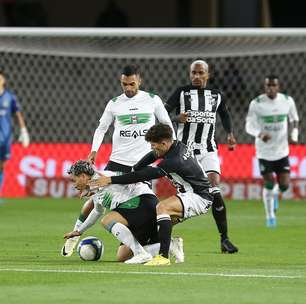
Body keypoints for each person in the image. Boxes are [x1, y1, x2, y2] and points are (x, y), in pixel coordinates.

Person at [62, 64, 175, 257]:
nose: (129, 88)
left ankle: (148, 240)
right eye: (124, 84)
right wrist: (94, 150)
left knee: (137, 199)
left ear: (139, 80)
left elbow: (167, 126)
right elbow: (101, 128)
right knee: (94, 197)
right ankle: (76, 234)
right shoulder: (114, 103)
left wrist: (171, 151)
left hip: (140, 164)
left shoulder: (152, 100)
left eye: (132, 84)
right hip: (117, 161)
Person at [90, 124, 218, 266]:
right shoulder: (175, 146)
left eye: (154, 145)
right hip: (189, 194)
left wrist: (110, 179)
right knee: (124, 254)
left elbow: (144, 175)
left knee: (162, 207)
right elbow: (152, 156)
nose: (152, 148)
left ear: (164, 143)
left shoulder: (174, 161)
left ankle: (163, 257)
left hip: (199, 197)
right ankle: (171, 245)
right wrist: (135, 167)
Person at [164, 59, 238, 253]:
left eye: (200, 73)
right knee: (189, 195)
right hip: (185, 153)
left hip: (208, 150)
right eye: (193, 73)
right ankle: (161, 228)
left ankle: (225, 239)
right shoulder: (181, 92)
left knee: (215, 191)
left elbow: (225, 114)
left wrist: (230, 133)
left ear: (208, 74)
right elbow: (161, 113)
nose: (196, 76)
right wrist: (176, 118)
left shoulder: (216, 95)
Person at [63, 160, 184, 264]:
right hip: (134, 211)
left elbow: (130, 177)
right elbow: (97, 211)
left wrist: (113, 181)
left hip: (144, 202)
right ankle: (169, 246)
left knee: (108, 220)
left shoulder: (105, 176)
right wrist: (79, 231)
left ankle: (140, 253)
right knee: (123, 256)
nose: (74, 185)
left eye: (75, 180)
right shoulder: (95, 190)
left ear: (83, 176)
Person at [245, 75, 299, 227]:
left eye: (273, 85)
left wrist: (294, 134)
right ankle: (270, 217)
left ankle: (275, 194)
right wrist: (260, 134)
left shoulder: (287, 101)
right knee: (268, 182)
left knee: (284, 185)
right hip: (264, 152)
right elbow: (249, 125)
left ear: (278, 86)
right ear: (265, 87)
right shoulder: (257, 103)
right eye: (268, 85)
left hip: (282, 151)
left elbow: (294, 119)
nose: (270, 88)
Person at [0, 69, 30, 192]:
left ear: (3, 80)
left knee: (2, 166)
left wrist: (23, 130)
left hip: (5, 137)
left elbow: (18, 114)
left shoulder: (9, 97)